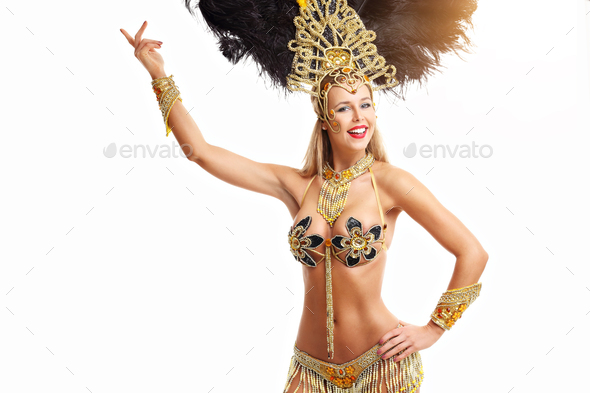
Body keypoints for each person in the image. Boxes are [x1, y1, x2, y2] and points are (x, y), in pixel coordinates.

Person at [121, 1, 487, 391]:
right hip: (309, 369)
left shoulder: (391, 183)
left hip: (381, 363)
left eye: (366, 105)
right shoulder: (298, 186)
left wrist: (433, 330)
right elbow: (202, 152)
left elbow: (472, 252)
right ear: (325, 118)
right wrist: (158, 74)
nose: (359, 117)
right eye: (344, 108)